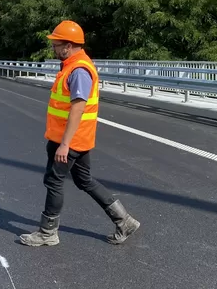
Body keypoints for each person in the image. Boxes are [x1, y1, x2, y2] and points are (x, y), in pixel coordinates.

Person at [19, 20, 140, 247]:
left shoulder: (79, 71)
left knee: (54, 180)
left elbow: (78, 107)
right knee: (84, 180)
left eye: (56, 45)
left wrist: (64, 144)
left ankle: (47, 232)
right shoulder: (71, 66)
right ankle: (124, 220)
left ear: (68, 45)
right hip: (73, 137)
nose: (53, 48)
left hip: (70, 140)